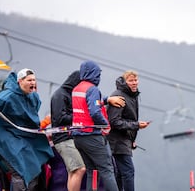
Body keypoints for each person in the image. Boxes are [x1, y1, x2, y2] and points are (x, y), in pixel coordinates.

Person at [51, 70, 126, 191]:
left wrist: (107, 99)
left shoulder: (73, 92)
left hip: (75, 136)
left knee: (88, 170)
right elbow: (60, 118)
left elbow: (89, 101)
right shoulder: (61, 95)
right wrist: (84, 119)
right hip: (65, 138)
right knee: (81, 169)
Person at [0, 68, 54, 190]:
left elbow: (32, 118)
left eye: (34, 80)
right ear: (20, 81)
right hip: (7, 138)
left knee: (35, 165)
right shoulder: (6, 97)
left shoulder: (33, 97)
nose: (33, 83)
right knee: (19, 169)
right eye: (29, 80)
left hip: (26, 138)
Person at [71, 61, 119, 191]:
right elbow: (94, 111)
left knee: (93, 171)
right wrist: (105, 125)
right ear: (94, 73)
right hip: (92, 136)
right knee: (107, 170)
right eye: (98, 73)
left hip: (78, 137)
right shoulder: (92, 89)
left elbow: (87, 103)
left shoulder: (77, 88)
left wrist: (105, 99)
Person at [107, 70, 150, 191]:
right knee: (128, 171)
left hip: (124, 140)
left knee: (120, 174)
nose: (134, 83)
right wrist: (136, 125)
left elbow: (126, 119)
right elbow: (114, 121)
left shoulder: (132, 95)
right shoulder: (119, 96)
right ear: (125, 82)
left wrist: (132, 140)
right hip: (116, 141)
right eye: (131, 80)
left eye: (136, 80)